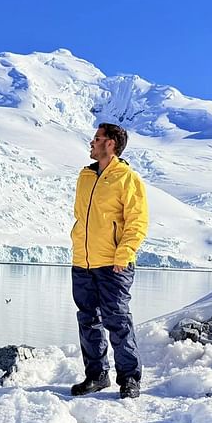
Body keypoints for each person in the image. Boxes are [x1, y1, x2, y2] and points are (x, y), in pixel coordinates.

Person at [69, 122, 148, 399]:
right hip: (83, 262)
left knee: (117, 320)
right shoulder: (86, 176)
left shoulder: (127, 178)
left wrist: (124, 253)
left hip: (114, 263)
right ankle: (97, 376)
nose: (92, 143)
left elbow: (137, 221)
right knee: (87, 320)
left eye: (97, 138)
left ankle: (129, 378)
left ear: (110, 144)